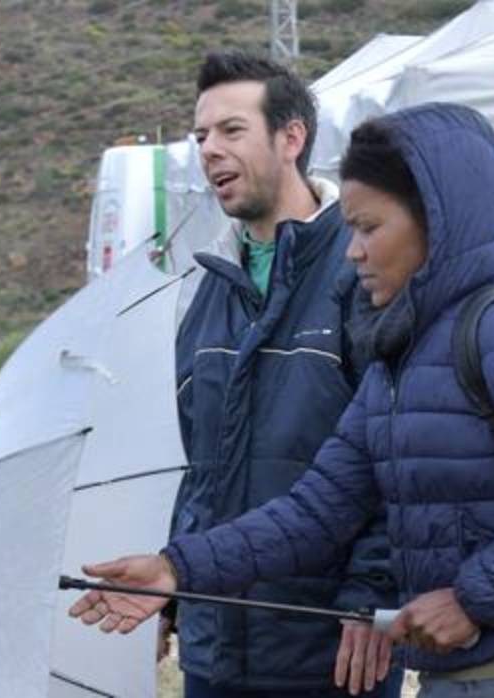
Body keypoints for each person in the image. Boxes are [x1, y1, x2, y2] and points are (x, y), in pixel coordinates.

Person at [69, 103, 494, 698]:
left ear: (437, 224)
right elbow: (317, 510)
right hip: (456, 680)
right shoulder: (398, 357)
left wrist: (473, 597)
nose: (352, 251)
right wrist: (176, 568)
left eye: (369, 228)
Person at [169, 52, 398, 698]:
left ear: (291, 138)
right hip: (216, 648)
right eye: (201, 136)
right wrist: (175, 579)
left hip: (330, 644)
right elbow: (200, 469)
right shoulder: (209, 291)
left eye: (231, 131)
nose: (209, 151)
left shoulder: (362, 276)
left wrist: (375, 594)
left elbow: (399, 455)